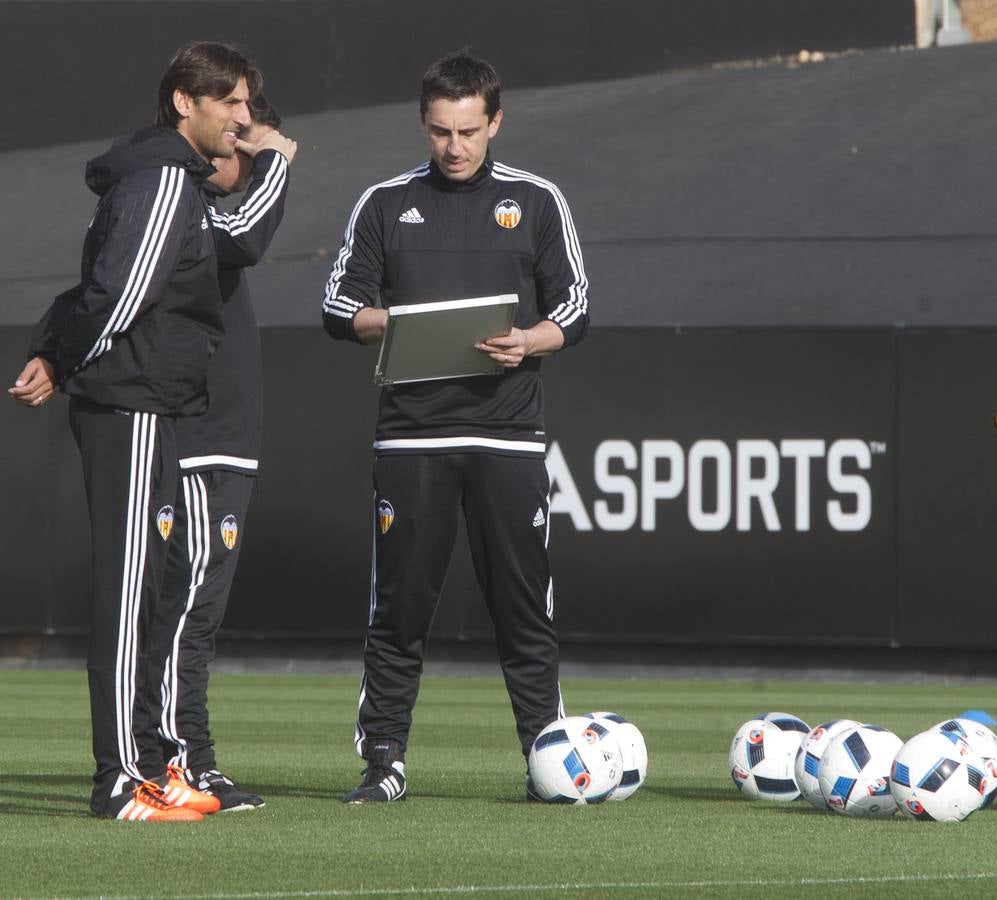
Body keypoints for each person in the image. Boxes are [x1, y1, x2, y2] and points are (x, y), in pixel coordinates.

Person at [321, 51, 590, 803]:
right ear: (422, 123)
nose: (455, 146)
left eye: (469, 130)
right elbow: (339, 308)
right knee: (400, 605)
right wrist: (398, 325)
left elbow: (575, 308)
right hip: (412, 436)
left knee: (522, 604)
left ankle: (547, 764)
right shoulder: (383, 203)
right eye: (441, 130)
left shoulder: (537, 201)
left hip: (507, 434)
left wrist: (529, 340)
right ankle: (383, 763)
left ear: (495, 121)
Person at [10, 41, 259, 822]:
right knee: (127, 597)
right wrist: (60, 355)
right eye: (231, 103)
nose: (244, 118)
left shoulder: (171, 178)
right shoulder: (160, 179)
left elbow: (103, 287)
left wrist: (56, 349)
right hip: (133, 405)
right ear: (186, 102)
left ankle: (153, 763)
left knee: (161, 585)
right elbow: (117, 296)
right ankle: (121, 780)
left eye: (248, 104)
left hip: (158, 403)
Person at [141, 92, 298, 812]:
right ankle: (181, 762)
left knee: (188, 608)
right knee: (187, 611)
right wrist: (275, 161)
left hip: (221, 441)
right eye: (235, 137)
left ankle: (175, 756)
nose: (242, 154)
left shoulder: (189, 206)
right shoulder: (184, 201)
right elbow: (246, 235)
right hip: (200, 439)